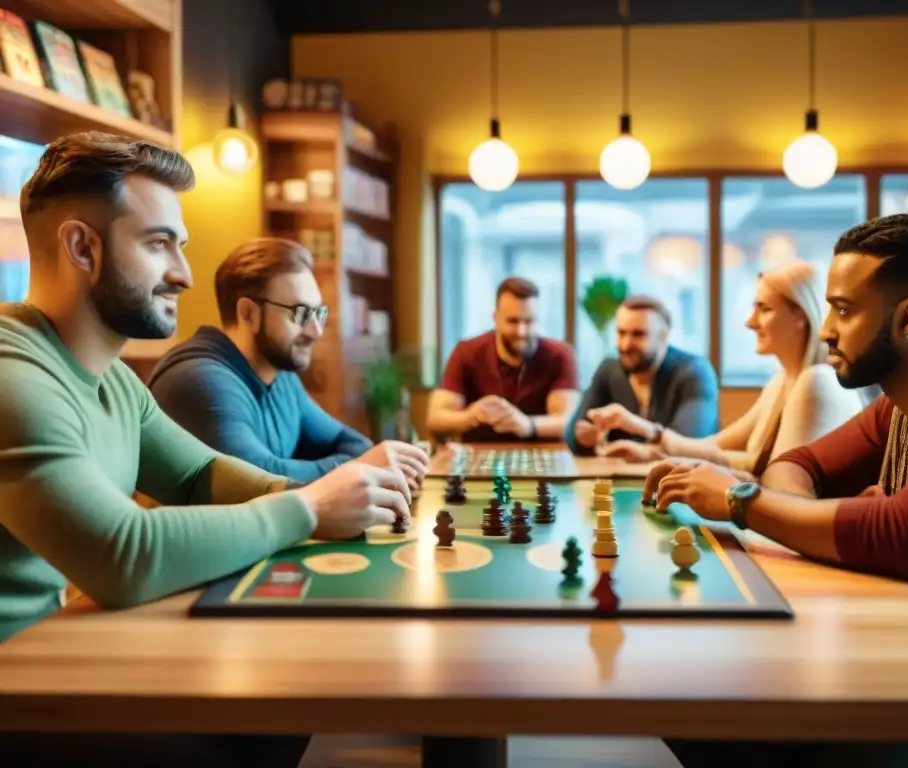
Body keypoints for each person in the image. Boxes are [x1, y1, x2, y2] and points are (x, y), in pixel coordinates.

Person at [0, 132, 410, 766]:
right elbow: (123, 555)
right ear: (82, 246)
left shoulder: (112, 379)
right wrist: (307, 509)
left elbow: (198, 475)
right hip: (19, 695)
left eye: (180, 246)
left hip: (55, 655)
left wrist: (328, 497)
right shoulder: (13, 377)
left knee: (284, 698)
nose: (185, 274)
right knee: (255, 724)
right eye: (159, 244)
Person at [648, 213, 908, 767]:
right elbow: (795, 466)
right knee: (691, 704)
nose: (825, 330)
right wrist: (859, 520)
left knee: (712, 718)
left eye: (843, 310)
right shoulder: (898, 409)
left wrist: (740, 501)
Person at [147, 237, 428, 488]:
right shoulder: (201, 380)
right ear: (248, 314)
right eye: (301, 313)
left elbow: (352, 444)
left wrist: (361, 462)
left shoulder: (278, 376)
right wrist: (360, 467)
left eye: (318, 313)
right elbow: (260, 479)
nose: (315, 330)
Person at [611, 261, 867, 474]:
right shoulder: (782, 380)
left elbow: (779, 486)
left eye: (763, 309)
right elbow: (721, 449)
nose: (750, 322)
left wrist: (679, 463)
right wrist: (650, 451)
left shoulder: (817, 381)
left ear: (800, 315)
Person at [426, 276, 580, 442]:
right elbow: (435, 418)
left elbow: (569, 421)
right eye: (513, 321)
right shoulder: (467, 352)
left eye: (529, 322)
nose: (521, 331)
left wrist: (527, 425)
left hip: (543, 457)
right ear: (496, 317)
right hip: (479, 456)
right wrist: (471, 416)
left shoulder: (560, 355)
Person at [566, 295, 719, 458]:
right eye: (621, 333)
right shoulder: (610, 370)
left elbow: (690, 442)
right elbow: (573, 432)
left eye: (638, 335)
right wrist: (583, 438)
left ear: (663, 336)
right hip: (623, 478)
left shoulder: (695, 372)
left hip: (684, 479)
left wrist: (631, 423)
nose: (625, 345)